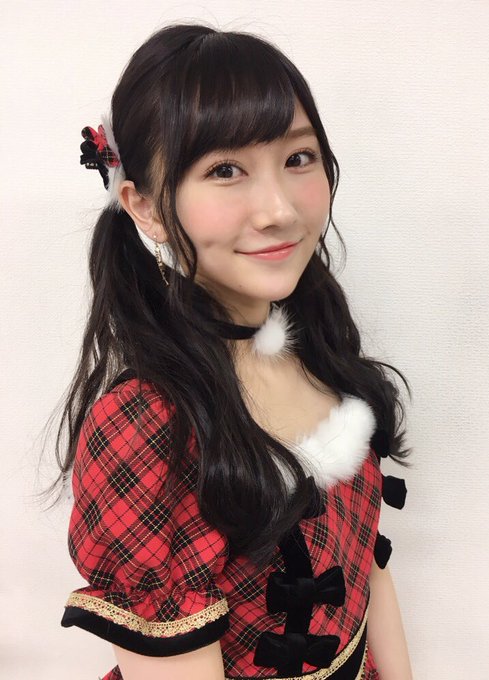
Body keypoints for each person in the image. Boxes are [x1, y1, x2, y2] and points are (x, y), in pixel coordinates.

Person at [54, 22, 413, 680]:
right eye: (225, 170)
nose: (279, 210)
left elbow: (365, 564)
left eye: (298, 158)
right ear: (144, 207)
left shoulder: (320, 345)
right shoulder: (145, 429)